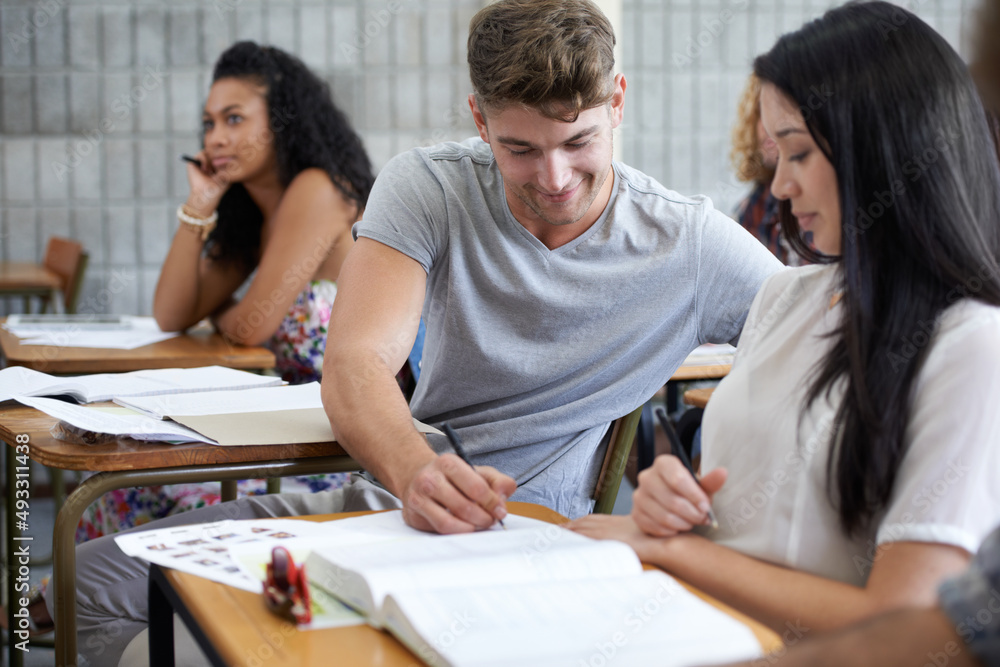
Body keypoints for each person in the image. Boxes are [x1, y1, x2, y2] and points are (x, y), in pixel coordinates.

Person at [46, 2, 781, 663]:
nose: (554, 178)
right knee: (80, 584)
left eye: (578, 142)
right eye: (519, 149)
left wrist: (723, 464)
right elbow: (358, 360)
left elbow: (833, 343)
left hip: (535, 542)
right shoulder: (427, 185)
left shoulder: (688, 242)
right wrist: (413, 471)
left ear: (616, 103)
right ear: (479, 119)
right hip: (390, 501)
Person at [570, 0, 1000, 641]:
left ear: (881, 150)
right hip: (697, 633)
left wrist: (681, 553)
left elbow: (904, 625)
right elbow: (750, 511)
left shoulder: (971, 345)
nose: (777, 189)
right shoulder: (784, 299)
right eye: (776, 158)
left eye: (797, 155)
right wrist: (676, 503)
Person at [75, 41, 377, 542]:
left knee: (133, 490)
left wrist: (221, 314)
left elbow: (250, 325)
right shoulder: (250, 214)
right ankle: (82, 609)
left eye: (234, 119)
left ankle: (68, 607)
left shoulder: (318, 189)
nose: (215, 138)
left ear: (282, 120)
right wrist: (200, 204)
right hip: (283, 430)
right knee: (116, 480)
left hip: (340, 446)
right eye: (209, 123)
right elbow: (171, 313)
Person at [730, 73, 797, 264]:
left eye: (783, 110)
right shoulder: (757, 203)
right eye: (762, 112)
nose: (769, 126)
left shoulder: (836, 204)